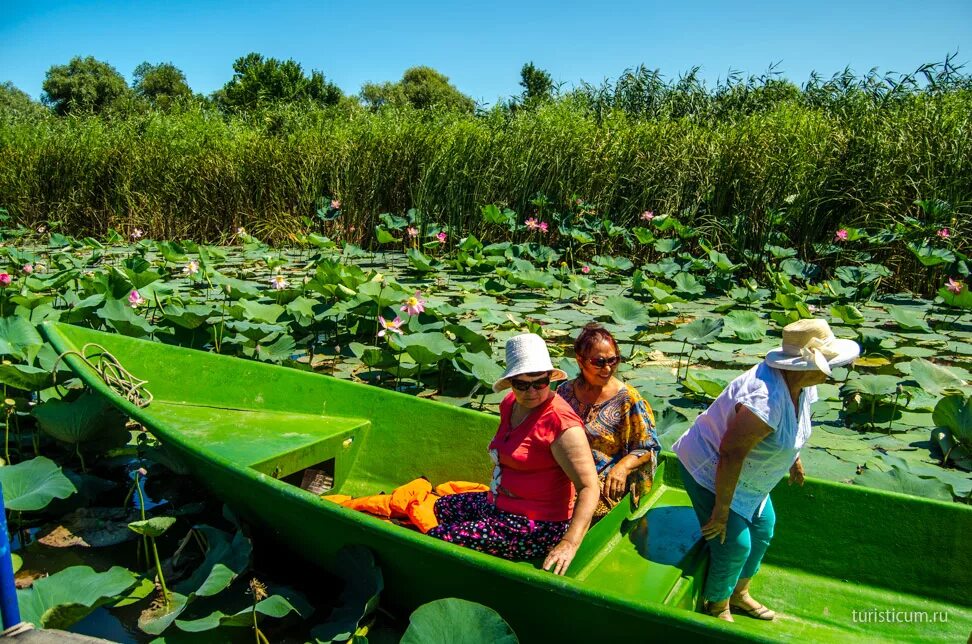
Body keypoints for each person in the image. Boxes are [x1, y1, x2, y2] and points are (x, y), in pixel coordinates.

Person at [671, 318, 860, 622]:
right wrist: (720, 511)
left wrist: (793, 461)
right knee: (733, 543)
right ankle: (717, 605)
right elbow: (731, 453)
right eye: (829, 363)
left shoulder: (803, 385)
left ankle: (739, 593)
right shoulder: (764, 399)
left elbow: (793, 427)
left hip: (752, 476)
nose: (833, 370)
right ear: (803, 365)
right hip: (711, 468)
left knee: (763, 531)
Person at [428, 333, 599, 575]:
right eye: (522, 384)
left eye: (539, 382)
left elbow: (589, 487)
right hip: (501, 505)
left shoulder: (561, 423)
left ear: (550, 379)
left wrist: (569, 543)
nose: (532, 391)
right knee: (442, 508)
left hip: (537, 525)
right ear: (511, 383)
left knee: (437, 537)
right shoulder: (509, 404)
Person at [557, 323, 660, 518]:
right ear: (580, 361)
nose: (607, 368)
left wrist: (623, 467)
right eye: (599, 362)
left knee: (572, 508)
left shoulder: (628, 400)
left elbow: (648, 448)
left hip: (602, 478)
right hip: (565, 471)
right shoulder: (564, 391)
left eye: (613, 360)